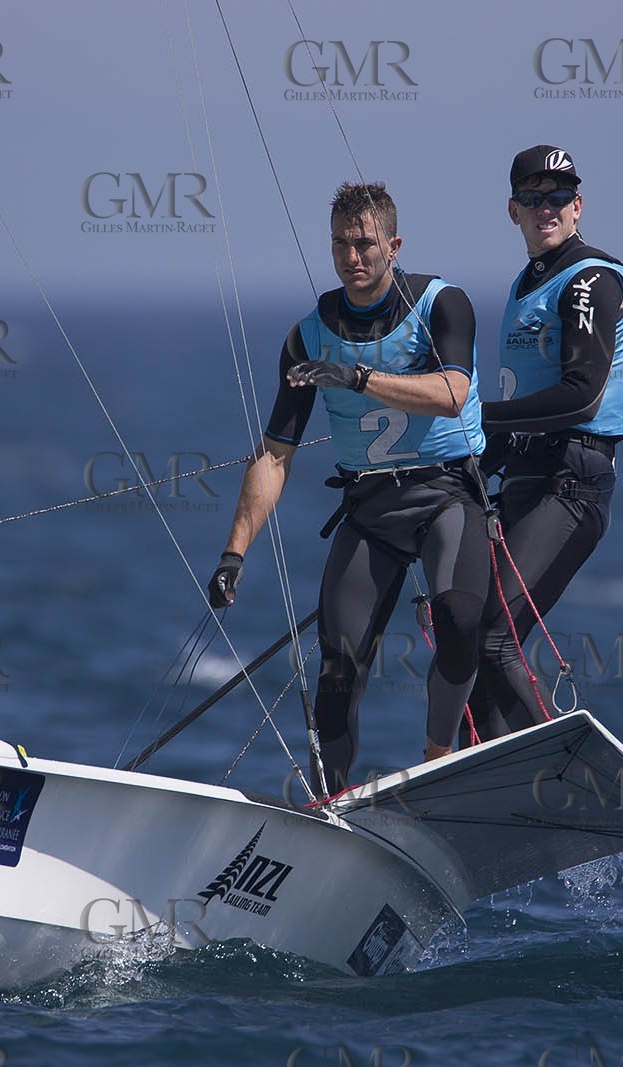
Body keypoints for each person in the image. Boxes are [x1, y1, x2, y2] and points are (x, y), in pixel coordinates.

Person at [206, 181, 489, 795]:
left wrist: (358, 377)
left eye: (364, 243)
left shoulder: (442, 303)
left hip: (446, 495)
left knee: (460, 618)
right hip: (371, 509)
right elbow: (275, 455)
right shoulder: (308, 336)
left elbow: (453, 394)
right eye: (340, 244)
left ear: (394, 245)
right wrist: (233, 553)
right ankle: (329, 804)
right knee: (337, 667)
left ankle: (438, 757)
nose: (352, 257)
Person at [466, 145, 623, 744]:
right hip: (524, 479)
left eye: (560, 196)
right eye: (533, 198)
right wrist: (461, 470)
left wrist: (477, 415)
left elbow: (581, 397)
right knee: (470, 638)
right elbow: (516, 417)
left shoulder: (591, 279)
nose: (548, 208)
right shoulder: (526, 285)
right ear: (512, 209)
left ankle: (557, 771)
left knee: (494, 636)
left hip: (571, 486)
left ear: (578, 205)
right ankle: (480, 781)